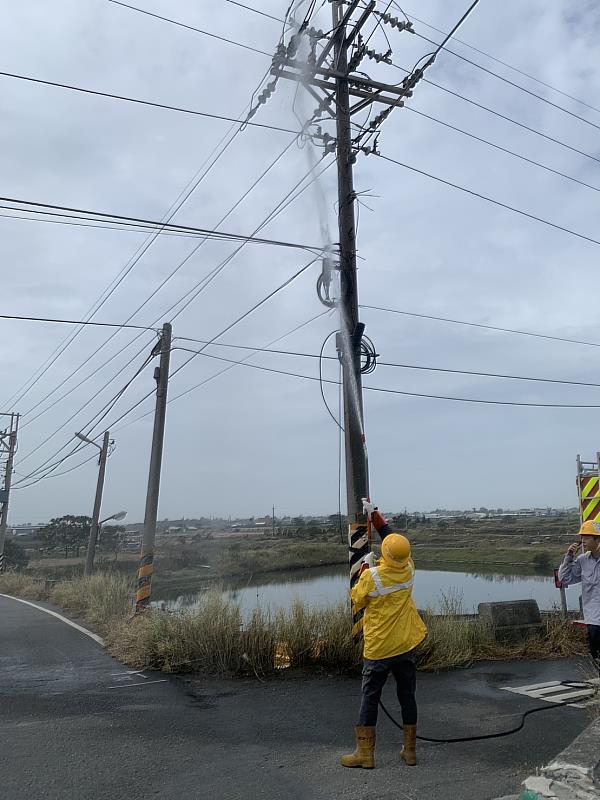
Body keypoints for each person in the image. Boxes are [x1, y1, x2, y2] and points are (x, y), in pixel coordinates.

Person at [340, 501, 427, 770]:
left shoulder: (373, 577)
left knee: (370, 697)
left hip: (378, 649)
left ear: (384, 556)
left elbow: (356, 599)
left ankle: (365, 754)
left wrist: (365, 568)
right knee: (407, 696)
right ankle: (409, 751)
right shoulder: (409, 568)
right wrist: (375, 515)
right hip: (404, 644)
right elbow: (392, 540)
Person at [558, 520, 600, 667]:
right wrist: (569, 556)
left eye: (587, 537)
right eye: (582, 537)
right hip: (593, 617)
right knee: (595, 654)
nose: (583, 541)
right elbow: (564, 578)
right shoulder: (583, 560)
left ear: (597, 539)